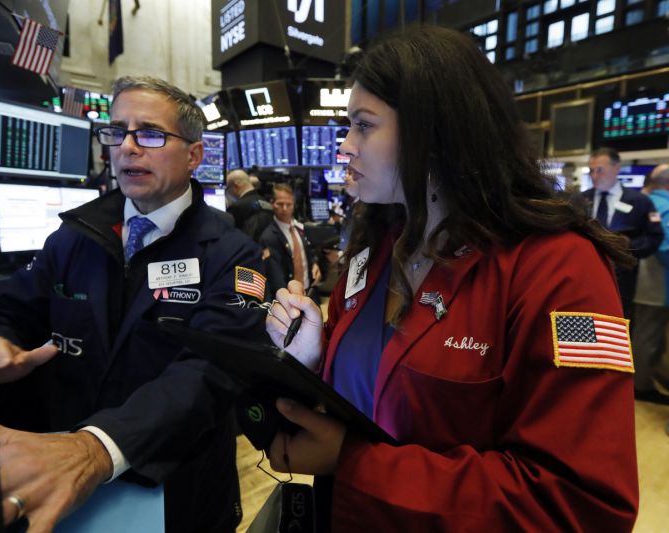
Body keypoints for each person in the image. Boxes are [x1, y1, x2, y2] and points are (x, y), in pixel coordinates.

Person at [264, 26, 639, 531]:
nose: (345, 146)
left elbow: (581, 504)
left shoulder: (562, 271)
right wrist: (314, 357)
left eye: (363, 125)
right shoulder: (375, 249)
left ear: (433, 134)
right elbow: (367, 393)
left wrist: (354, 465)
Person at [0, 75, 267, 532]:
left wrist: (97, 448)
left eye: (150, 133)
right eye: (117, 132)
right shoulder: (75, 236)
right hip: (65, 479)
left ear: (194, 155)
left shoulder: (233, 253)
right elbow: (7, 305)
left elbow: (210, 372)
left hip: (173, 489)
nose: (127, 148)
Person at [582, 146, 663, 319]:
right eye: (591, 171)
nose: (594, 176)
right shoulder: (579, 200)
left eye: (600, 170)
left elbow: (654, 237)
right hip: (584, 277)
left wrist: (628, 247)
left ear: (617, 168)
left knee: (619, 326)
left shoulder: (639, 201)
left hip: (623, 281)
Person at [632, 163, 669, 404]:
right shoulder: (664, 206)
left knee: (645, 334)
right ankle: (641, 386)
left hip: (640, 283)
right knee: (647, 336)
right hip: (656, 285)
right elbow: (665, 247)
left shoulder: (641, 201)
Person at [259, 183, 321, 298]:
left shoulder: (299, 227)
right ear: (272, 204)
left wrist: (314, 263)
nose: (285, 209)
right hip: (289, 296)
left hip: (309, 291)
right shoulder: (268, 237)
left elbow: (307, 252)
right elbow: (275, 275)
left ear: (294, 205)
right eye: (280, 204)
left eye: (289, 204)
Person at [225, 168, 274, 240]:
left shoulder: (237, 207)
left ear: (236, 186)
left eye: (228, 188)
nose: (228, 192)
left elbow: (230, 237)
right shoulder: (267, 204)